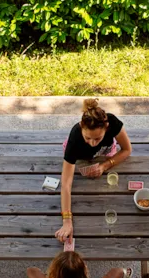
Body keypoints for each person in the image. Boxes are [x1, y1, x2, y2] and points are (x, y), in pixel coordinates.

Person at [56, 98, 133, 242]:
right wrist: (67, 221)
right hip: (81, 157)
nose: (92, 143)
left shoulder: (113, 122)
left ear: (107, 127)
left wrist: (105, 165)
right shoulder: (75, 138)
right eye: (88, 138)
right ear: (81, 127)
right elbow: (66, 183)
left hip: (105, 155)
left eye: (97, 139)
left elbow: (127, 149)